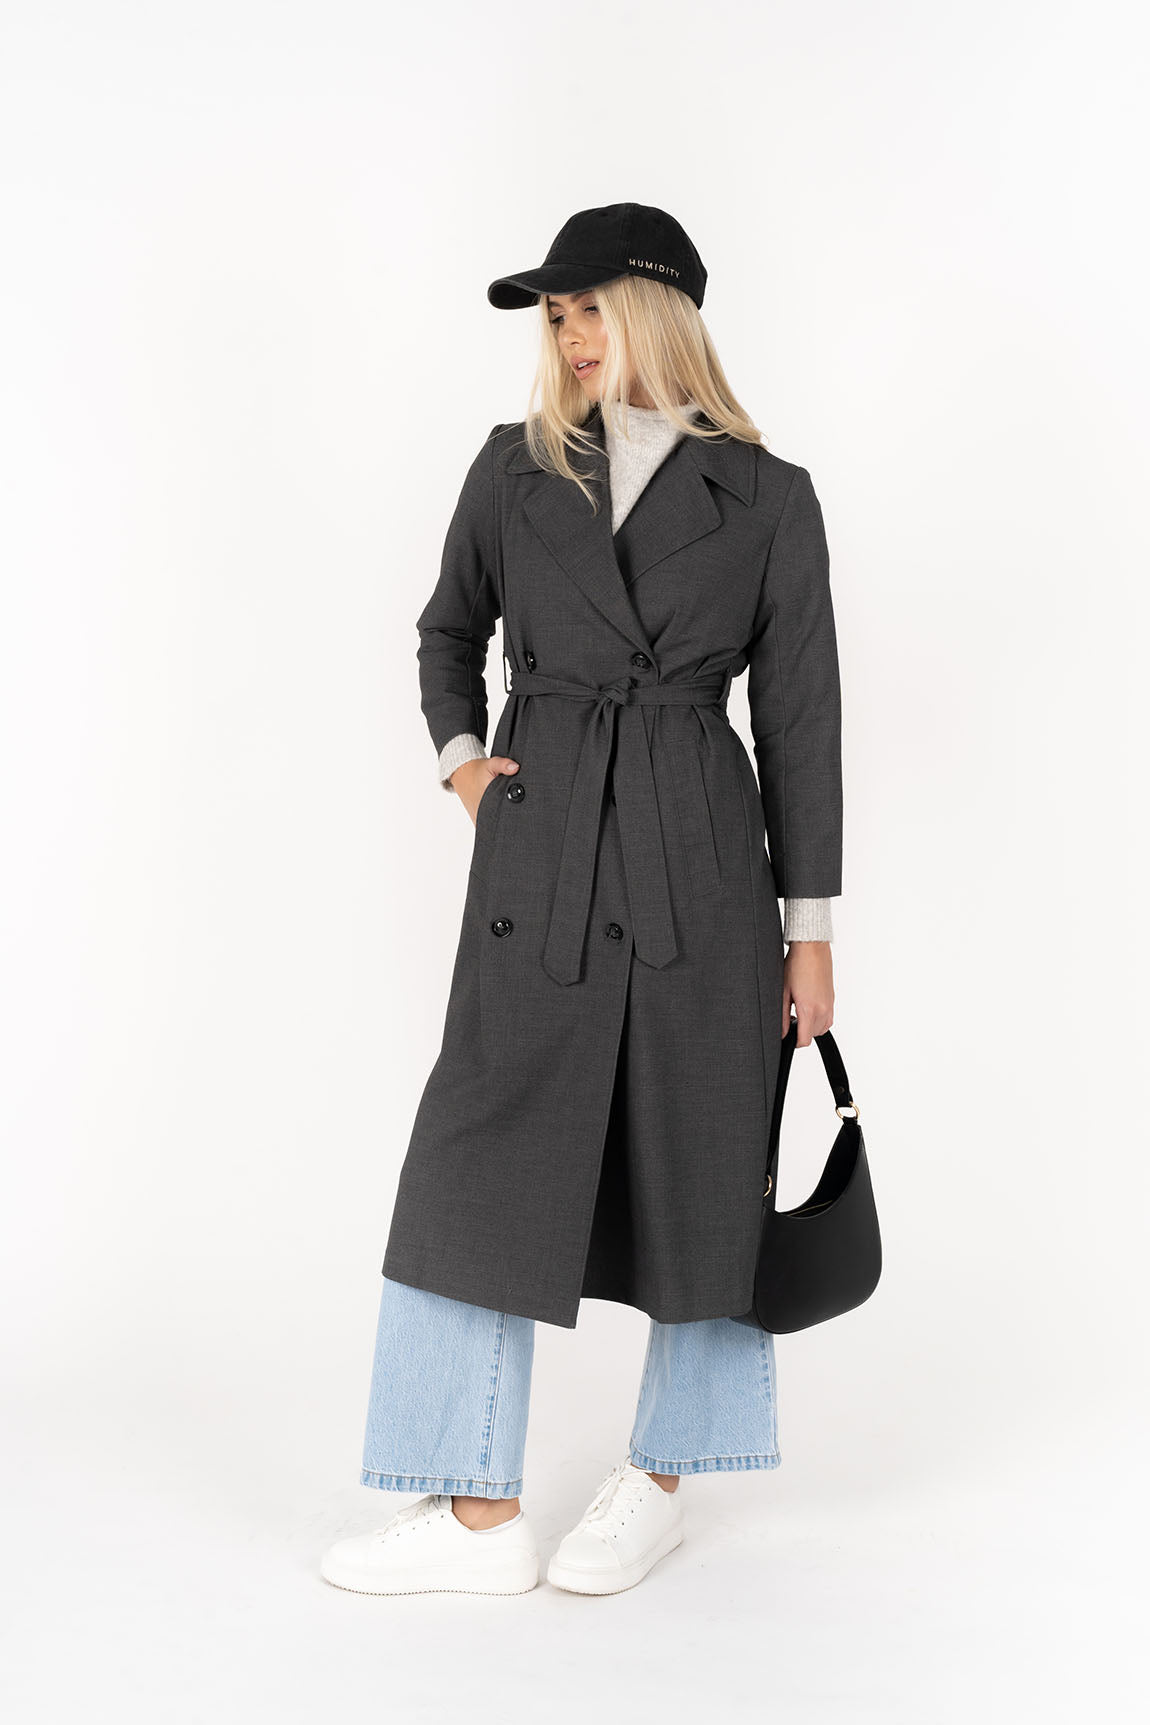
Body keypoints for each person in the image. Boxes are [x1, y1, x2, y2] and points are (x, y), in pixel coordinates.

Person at [321, 203, 843, 1598]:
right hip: (541, 847)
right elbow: (448, 628)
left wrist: (808, 935)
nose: (568, 337)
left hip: (698, 860)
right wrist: (466, 768)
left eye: (589, 307)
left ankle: (661, 1478)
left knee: (704, 1150)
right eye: (554, 316)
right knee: (474, 1158)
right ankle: (474, 1514)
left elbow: (800, 723)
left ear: (658, 312)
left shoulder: (768, 496)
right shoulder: (514, 467)